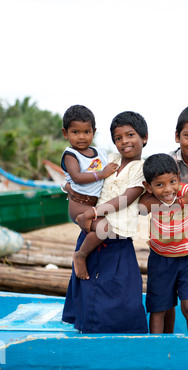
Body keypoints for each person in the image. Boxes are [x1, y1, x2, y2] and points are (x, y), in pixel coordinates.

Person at [62, 111, 149, 334]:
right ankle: (86, 339)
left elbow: (127, 198)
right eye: (118, 138)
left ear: (144, 138)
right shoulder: (109, 159)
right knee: (87, 290)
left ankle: (124, 343)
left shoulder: (142, 169)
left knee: (125, 295)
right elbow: (83, 178)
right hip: (92, 234)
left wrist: (93, 211)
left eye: (130, 135)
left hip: (118, 239)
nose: (124, 142)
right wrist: (70, 188)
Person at [140, 153, 188, 334]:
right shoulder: (150, 199)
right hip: (161, 259)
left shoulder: (183, 189)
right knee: (158, 309)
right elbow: (142, 208)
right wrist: (183, 202)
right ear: (149, 186)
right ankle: (157, 350)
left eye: (172, 181)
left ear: (178, 176)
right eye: (159, 184)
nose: (168, 189)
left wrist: (184, 198)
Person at [61, 105, 119, 279]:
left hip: (94, 206)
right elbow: (77, 177)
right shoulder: (71, 154)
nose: (81, 137)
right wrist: (101, 174)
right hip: (79, 205)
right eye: (75, 132)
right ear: (65, 133)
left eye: (86, 132)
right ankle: (80, 255)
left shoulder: (100, 153)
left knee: (107, 229)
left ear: (93, 131)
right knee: (104, 227)